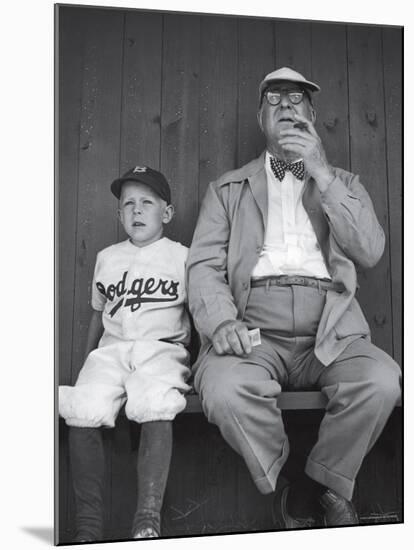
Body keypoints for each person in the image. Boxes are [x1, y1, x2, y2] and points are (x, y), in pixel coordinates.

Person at [186, 67, 401, 527]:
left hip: (331, 325)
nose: (286, 105)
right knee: (223, 390)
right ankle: (294, 482)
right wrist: (222, 322)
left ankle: (316, 487)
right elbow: (203, 266)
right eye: (275, 99)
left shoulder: (342, 181)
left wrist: (321, 172)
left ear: (312, 115)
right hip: (253, 328)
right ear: (261, 118)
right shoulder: (228, 189)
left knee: (381, 380)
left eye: (297, 99)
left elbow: (371, 250)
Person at [59, 166, 191, 541]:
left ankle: (147, 519)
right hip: (113, 351)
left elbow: (198, 312)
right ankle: (88, 526)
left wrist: (197, 363)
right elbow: (99, 317)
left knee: (155, 401)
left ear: (166, 213)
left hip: (162, 350)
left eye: (147, 202)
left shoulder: (182, 257)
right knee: (82, 406)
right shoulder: (107, 257)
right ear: (118, 215)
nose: (136, 210)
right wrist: (88, 360)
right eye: (128, 204)